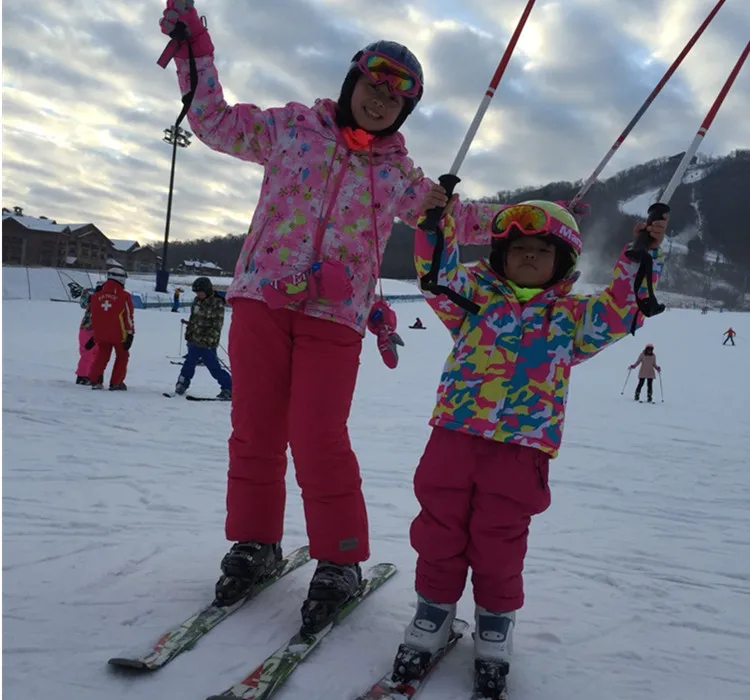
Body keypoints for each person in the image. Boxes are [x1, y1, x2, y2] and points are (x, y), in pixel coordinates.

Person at [158, 0, 503, 633]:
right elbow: (211, 121)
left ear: (405, 112)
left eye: (394, 99)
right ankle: (255, 543)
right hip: (262, 297)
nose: (379, 101)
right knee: (255, 429)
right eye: (372, 86)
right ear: (352, 83)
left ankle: (340, 560)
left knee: (318, 436)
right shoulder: (291, 127)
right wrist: (195, 52)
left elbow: (458, 219)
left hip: (336, 315)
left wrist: (531, 222)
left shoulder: (399, 175)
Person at [391, 200, 666, 697]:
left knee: (499, 541)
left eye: (542, 250)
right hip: (455, 434)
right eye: (520, 249)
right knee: (439, 528)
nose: (530, 257)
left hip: (523, 448)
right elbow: (437, 273)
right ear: (502, 255)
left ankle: (495, 624)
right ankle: (432, 613)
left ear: (562, 261)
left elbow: (623, 311)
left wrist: (641, 254)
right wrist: (436, 226)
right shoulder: (472, 298)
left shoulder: (572, 319)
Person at [175, 277, 232, 399]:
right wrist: (189, 333)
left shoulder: (217, 303)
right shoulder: (197, 301)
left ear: (207, 290)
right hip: (194, 340)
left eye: (200, 292)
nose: (198, 295)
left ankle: (229, 387)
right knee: (189, 364)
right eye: (197, 293)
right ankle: (182, 383)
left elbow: (217, 325)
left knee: (214, 367)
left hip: (208, 343)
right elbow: (193, 319)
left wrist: (208, 340)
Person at [88, 267, 135, 391]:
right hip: (119, 334)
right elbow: (128, 316)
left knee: (102, 355)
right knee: (122, 356)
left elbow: (94, 316)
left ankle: (95, 380)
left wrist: (94, 334)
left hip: (101, 333)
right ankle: (116, 382)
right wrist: (130, 334)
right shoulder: (124, 296)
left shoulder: (96, 296)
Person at [69, 280, 103, 385]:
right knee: (88, 353)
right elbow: (84, 303)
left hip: (97, 330)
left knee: (96, 354)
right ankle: (83, 376)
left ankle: (92, 375)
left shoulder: (96, 298)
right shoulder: (92, 298)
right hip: (88, 329)